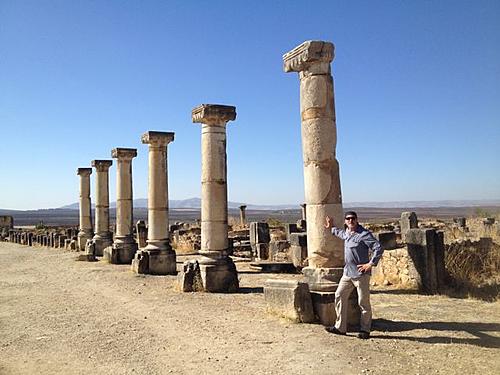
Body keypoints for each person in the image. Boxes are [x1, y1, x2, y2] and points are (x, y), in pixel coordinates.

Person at [324, 211, 383, 339]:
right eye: (348, 219)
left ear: (357, 220)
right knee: (339, 295)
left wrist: (370, 264)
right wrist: (331, 228)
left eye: (353, 219)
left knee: (363, 302)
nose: (350, 221)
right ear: (345, 221)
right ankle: (340, 327)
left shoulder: (363, 234)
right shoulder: (347, 233)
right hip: (347, 273)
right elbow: (340, 234)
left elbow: (378, 247)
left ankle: (365, 330)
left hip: (361, 274)